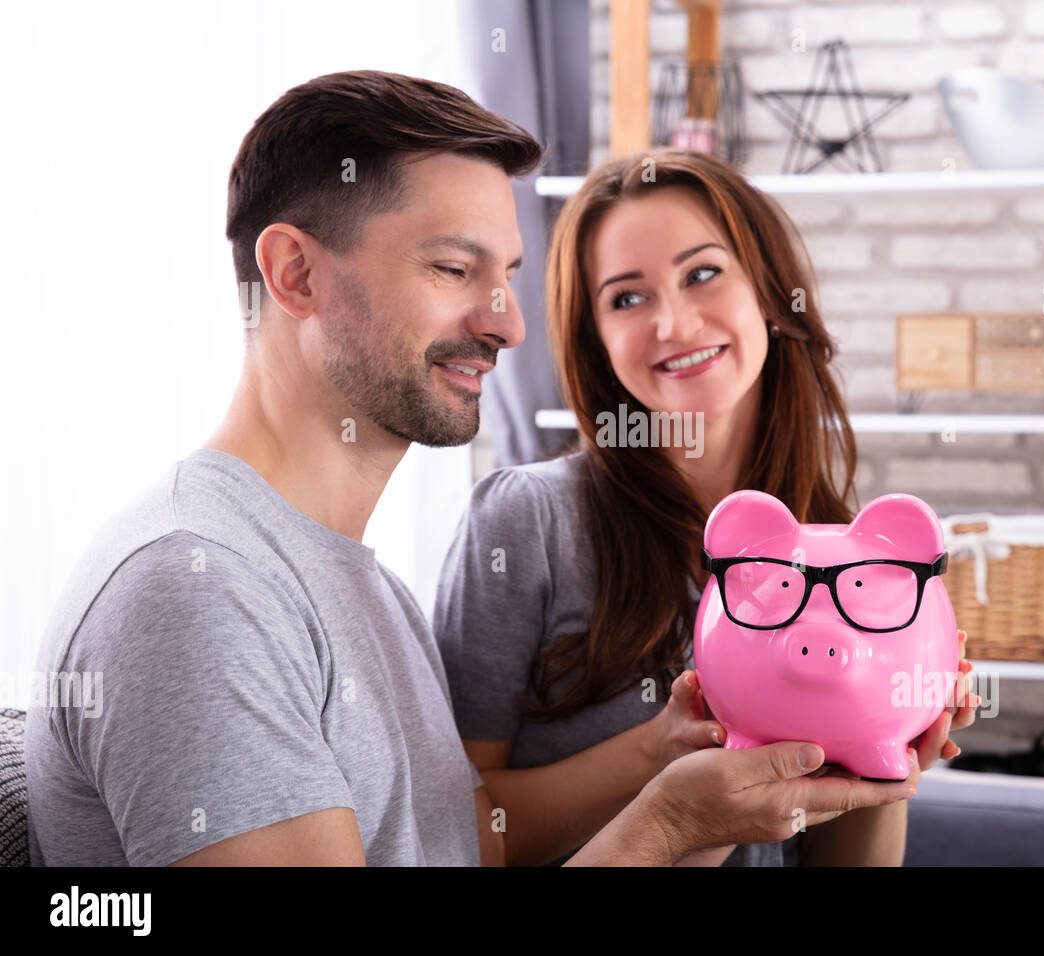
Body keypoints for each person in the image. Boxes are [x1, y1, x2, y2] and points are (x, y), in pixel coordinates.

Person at [23, 71, 921, 867]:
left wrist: (672, 759)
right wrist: (663, 829)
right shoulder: (197, 589)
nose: (508, 325)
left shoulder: (363, 591)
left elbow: (473, 841)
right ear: (294, 274)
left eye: (509, 277)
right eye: (454, 268)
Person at [435, 148, 978, 867]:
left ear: (769, 292)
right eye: (628, 298)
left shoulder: (837, 546)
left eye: (702, 274)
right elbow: (447, 833)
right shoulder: (524, 525)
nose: (676, 324)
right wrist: (661, 753)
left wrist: (898, 747)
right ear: (595, 340)